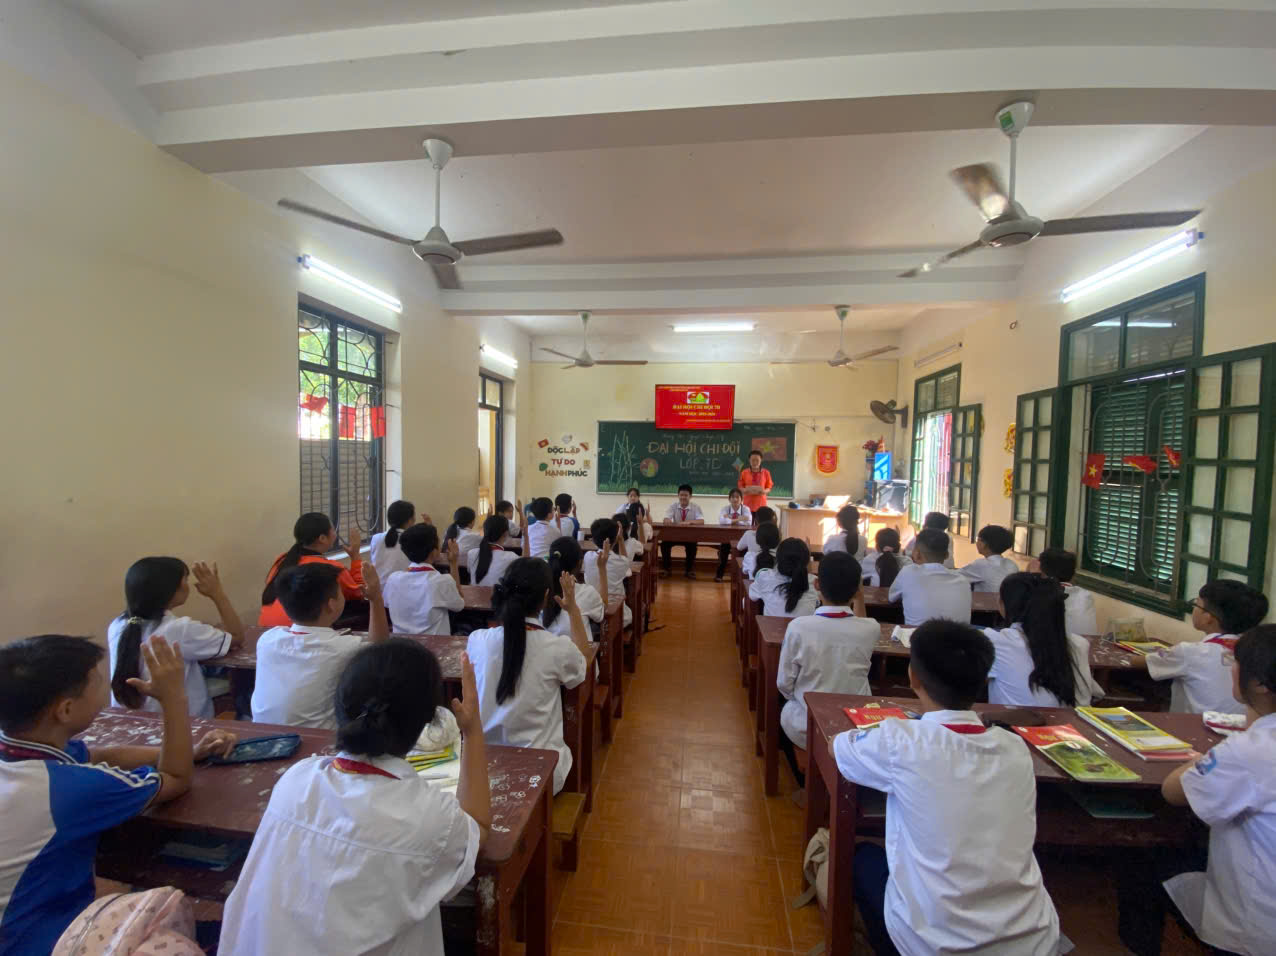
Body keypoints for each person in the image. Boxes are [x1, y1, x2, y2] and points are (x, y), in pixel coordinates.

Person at [219, 641, 491, 956]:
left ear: (339, 706)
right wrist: (472, 731)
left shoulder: (296, 780)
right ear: (428, 720)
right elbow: (478, 829)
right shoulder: (430, 818)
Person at [833, 620, 1064, 955]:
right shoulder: (1015, 749)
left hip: (932, 944)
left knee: (862, 857)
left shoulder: (901, 741)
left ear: (912, 677)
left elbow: (839, 748)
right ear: (984, 681)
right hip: (1035, 942)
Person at [0, 635, 236, 954]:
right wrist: (173, 699)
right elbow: (176, 778)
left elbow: (99, 755)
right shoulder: (73, 788)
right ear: (66, 710)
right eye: (96, 684)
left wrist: (188, 750)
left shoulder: (23, 750)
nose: (104, 690)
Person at [1119, 625, 1276, 955]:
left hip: (1257, 924)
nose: (1231, 670)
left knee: (1141, 858)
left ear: (1260, 683)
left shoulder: (1249, 751)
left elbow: (1173, 792)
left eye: (1235, 663)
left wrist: (1206, 758)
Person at [466, 558, 589, 794]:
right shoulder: (557, 648)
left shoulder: (478, 640)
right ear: (546, 597)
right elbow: (583, 665)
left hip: (482, 769)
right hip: (539, 773)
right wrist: (573, 610)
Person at [776, 552, 876, 787]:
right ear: (857, 590)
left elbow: (784, 684)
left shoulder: (799, 627)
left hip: (807, 726)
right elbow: (862, 621)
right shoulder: (870, 628)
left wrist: (797, 697)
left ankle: (805, 784)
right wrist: (859, 597)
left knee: (784, 709)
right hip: (856, 728)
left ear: (817, 584)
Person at [252, 562, 389, 728]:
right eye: (340, 592)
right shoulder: (342, 648)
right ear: (331, 604)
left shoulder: (267, 640)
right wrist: (375, 598)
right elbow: (380, 649)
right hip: (317, 739)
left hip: (262, 733)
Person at [108, 557, 244, 719]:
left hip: (128, 722)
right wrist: (217, 594)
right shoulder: (180, 629)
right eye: (185, 579)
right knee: (242, 681)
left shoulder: (118, 625)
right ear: (171, 589)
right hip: (181, 723)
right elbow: (237, 636)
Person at [1145, 580, 1270, 715]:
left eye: (1196, 605)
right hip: (1243, 724)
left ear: (1208, 618)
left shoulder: (1190, 652)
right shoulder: (1258, 654)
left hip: (1193, 725)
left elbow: (1139, 662)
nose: (1194, 609)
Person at [984, 572, 1104, 708]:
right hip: (1070, 721)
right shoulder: (1079, 644)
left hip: (1011, 721)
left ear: (1004, 604)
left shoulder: (997, 642)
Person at [259, 513, 364, 627]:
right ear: (322, 538)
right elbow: (360, 592)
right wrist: (355, 556)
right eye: (333, 530)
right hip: (296, 629)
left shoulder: (282, 560)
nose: (336, 533)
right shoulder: (330, 568)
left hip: (267, 627)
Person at [383, 524, 465, 635]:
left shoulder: (393, 579)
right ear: (434, 552)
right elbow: (459, 605)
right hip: (434, 645)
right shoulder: (441, 581)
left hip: (401, 643)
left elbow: (386, 603)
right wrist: (453, 563)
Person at [889, 528, 972, 626]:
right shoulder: (963, 580)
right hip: (960, 635)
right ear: (946, 555)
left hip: (919, 634)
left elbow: (891, 598)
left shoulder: (908, 572)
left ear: (917, 554)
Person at [544, 536, 606, 639]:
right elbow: (603, 610)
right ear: (580, 563)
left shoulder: (540, 591)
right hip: (578, 648)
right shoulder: (586, 592)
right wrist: (602, 568)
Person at [749, 538, 818, 618]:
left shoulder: (765, 577)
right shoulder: (814, 582)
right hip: (805, 626)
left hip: (772, 626)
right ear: (806, 562)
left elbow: (752, 597)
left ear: (777, 559)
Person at [1036, 548, 1097, 636]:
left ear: (1043, 574)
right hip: (1084, 644)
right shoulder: (1085, 595)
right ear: (1073, 574)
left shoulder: (1040, 594)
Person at [584, 518, 633, 628]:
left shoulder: (587, 557)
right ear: (615, 539)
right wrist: (621, 540)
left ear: (593, 540)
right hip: (616, 614)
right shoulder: (621, 561)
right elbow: (626, 562)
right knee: (628, 614)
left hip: (592, 611)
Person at [660, 484, 705, 579]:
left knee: (692, 546)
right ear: (678, 495)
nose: (683, 497)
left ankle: (689, 570)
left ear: (690, 496)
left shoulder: (695, 507)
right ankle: (667, 569)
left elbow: (701, 521)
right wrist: (668, 521)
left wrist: (689, 522)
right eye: (681, 495)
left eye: (686, 495)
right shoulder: (673, 506)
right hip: (674, 535)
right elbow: (666, 519)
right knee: (664, 544)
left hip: (689, 536)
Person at [959, 525, 1018, 592]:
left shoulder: (981, 565)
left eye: (978, 539)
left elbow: (954, 576)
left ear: (984, 544)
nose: (976, 543)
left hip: (985, 599)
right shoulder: (1012, 564)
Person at [370, 499, 417, 580]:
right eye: (414, 518)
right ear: (410, 521)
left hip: (378, 587)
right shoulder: (413, 540)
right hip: (402, 586)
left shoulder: (376, 539)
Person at [469, 514, 516, 588]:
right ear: (506, 533)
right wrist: (526, 536)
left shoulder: (471, 553)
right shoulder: (511, 557)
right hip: (496, 595)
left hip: (474, 593)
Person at [716, 488, 752, 582]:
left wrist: (730, 520)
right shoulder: (725, 508)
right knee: (723, 553)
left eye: (737, 497)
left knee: (744, 554)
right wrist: (739, 519)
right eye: (732, 497)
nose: (735, 499)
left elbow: (748, 522)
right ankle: (719, 575)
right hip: (727, 537)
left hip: (741, 539)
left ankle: (741, 577)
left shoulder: (746, 509)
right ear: (729, 499)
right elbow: (722, 521)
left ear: (741, 499)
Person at [443, 507, 480, 575]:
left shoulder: (448, 532)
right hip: (464, 574)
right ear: (471, 522)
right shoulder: (474, 536)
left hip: (446, 571)